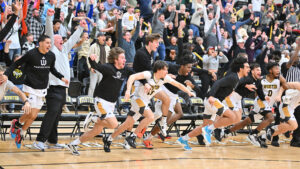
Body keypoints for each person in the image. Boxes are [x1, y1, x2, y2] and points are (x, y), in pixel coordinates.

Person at [102, 60, 195, 152]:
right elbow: (132, 77)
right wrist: (127, 90)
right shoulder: (148, 74)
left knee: (126, 124)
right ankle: (133, 136)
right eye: (165, 70)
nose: (167, 72)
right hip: (137, 98)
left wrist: (188, 91)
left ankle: (109, 138)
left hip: (144, 102)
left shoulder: (165, 78)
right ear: (158, 70)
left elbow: (177, 84)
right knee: (150, 116)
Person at [33, 9, 87, 151]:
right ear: (52, 43)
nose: (62, 41)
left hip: (62, 89)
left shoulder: (64, 50)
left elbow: (73, 39)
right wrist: (50, 18)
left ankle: (52, 140)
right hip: (53, 88)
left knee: (56, 116)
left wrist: (81, 27)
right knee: (51, 115)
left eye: (62, 40)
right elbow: (49, 32)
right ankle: (39, 140)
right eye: (59, 40)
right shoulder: (52, 51)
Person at [4, 34, 68, 148]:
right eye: (47, 42)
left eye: (50, 43)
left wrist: (61, 77)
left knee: (33, 116)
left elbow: (52, 69)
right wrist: (5, 75)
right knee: (31, 113)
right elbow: (16, 64)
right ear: (40, 43)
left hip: (42, 89)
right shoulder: (31, 54)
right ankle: (17, 125)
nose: (49, 45)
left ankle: (19, 129)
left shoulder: (51, 56)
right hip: (30, 87)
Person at [67, 47, 134, 155]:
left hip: (111, 104)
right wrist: (91, 59)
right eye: (122, 58)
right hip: (101, 101)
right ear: (116, 59)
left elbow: (136, 74)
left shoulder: (125, 70)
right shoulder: (108, 68)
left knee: (96, 131)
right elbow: (95, 66)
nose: (125, 60)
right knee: (113, 124)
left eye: (124, 58)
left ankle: (73, 144)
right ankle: (93, 118)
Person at [176, 56, 249, 150]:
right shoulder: (233, 77)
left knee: (204, 125)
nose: (249, 69)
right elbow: (217, 83)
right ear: (241, 68)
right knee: (232, 117)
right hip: (213, 100)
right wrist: (211, 96)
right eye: (247, 67)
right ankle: (209, 130)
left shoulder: (236, 77)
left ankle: (183, 139)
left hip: (210, 101)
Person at [143, 56, 201, 148]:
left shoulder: (188, 76)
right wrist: (165, 75)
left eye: (191, 67)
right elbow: (157, 64)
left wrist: (192, 86)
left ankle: (160, 128)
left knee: (178, 113)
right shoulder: (172, 67)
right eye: (188, 67)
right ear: (182, 66)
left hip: (174, 94)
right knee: (162, 115)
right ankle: (148, 133)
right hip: (163, 89)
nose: (190, 70)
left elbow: (198, 89)